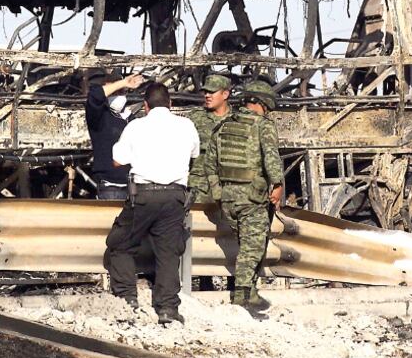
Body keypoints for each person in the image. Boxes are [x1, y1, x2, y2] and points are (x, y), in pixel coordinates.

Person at [104, 82, 199, 324]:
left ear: (146, 106)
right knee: (168, 252)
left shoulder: (136, 126)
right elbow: (194, 154)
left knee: (119, 243)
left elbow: (117, 160)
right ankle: (167, 309)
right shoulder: (186, 125)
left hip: (144, 195)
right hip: (175, 196)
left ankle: (127, 299)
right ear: (170, 104)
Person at [208, 80, 283, 311]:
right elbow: (271, 157)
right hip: (252, 197)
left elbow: (210, 164)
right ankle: (242, 297)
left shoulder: (223, 126)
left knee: (247, 244)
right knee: (252, 248)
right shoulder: (262, 125)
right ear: (262, 104)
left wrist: (218, 192)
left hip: (228, 198)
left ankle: (250, 291)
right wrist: (278, 185)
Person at [85, 72, 144, 200]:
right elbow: (95, 96)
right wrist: (123, 83)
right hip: (111, 188)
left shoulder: (131, 118)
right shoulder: (99, 117)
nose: (118, 95)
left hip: (134, 186)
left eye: (121, 92)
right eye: (114, 92)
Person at [186, 74, 232, 203]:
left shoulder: (237, 119)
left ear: (225, 94)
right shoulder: (195, 118)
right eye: (205, 92)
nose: (207, 95)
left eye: (212, 92)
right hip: (200, 185)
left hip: (228, 186)